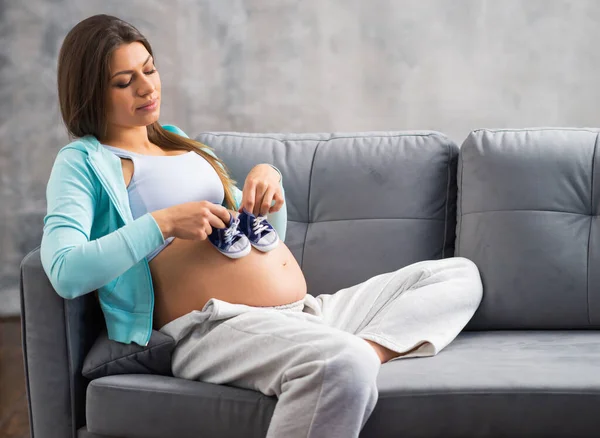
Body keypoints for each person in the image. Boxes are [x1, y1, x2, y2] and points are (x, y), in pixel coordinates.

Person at [41, 14, 483, 438]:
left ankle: (364, 353)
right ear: (91, 93)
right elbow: (65, 270)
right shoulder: (83, 162)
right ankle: (343, 360)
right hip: (210, 326)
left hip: (305, 314)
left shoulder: (182, 144)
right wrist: (163, 223)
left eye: (150, 70)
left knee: (456, 274)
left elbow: (259, 240)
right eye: (124, 81)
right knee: (339, 363)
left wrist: (269, 189)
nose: (146, 87)